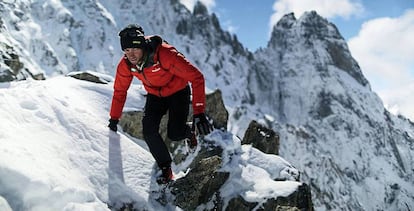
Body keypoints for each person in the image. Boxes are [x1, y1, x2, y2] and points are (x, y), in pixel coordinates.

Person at [108, 24, 213, 184]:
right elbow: (120, 91)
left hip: (178, 91)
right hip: (155, 95)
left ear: (142, 45)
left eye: (135, 49)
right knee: (148, 131)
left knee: (175, 133)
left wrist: (199, 112)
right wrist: (114, 119)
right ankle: (166, 169)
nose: (131, 55)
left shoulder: (164, 54)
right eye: (127, 50)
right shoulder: (127, 65)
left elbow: (196, 77)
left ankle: (190, 133)